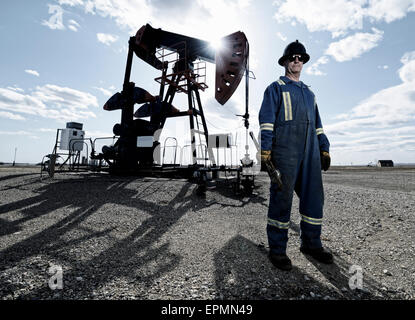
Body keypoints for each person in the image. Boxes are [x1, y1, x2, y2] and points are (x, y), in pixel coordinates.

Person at [258, 40, 333, 271]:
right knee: (282, 200)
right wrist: (266, 150)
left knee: (314, 199)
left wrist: (324, 147)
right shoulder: (275, 88)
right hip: (285, 153)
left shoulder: (310, 94)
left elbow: (318, 124)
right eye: (292, 57)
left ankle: (311, 244)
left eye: (300, 58)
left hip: (310, 154)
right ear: (284, 62)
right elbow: (267, 121)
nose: (297, 60)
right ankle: (278, 250)